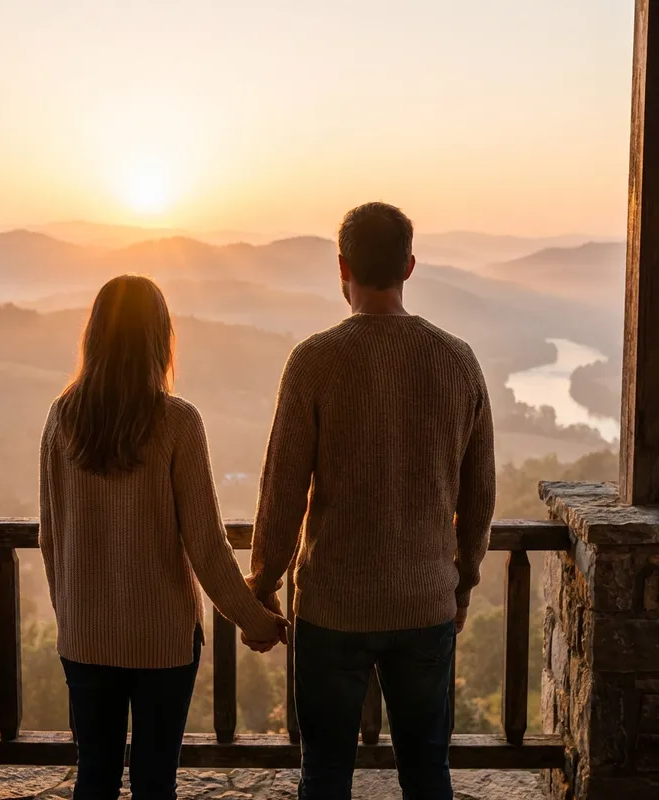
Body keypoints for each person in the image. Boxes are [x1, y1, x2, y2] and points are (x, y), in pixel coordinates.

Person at [246, 202, 496, 800]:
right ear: (409, 266)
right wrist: (460, 583)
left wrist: (263, 583)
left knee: (325, 774)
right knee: (426, 772)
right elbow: (479, 495)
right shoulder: (457, 361)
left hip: (332, 605)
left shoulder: (313, 361)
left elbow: (282, 489)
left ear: (342, 267)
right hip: (424, 604)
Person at [39, 275, 286, 800]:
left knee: (94, 777)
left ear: (95, 335)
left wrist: (74, 615)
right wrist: (258, 620)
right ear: (161, 338)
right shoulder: (177, 422)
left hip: (85, 635)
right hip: (162, 643)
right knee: (155, 782)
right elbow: (207, 546)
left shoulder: (62, 418)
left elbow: (50, 536)